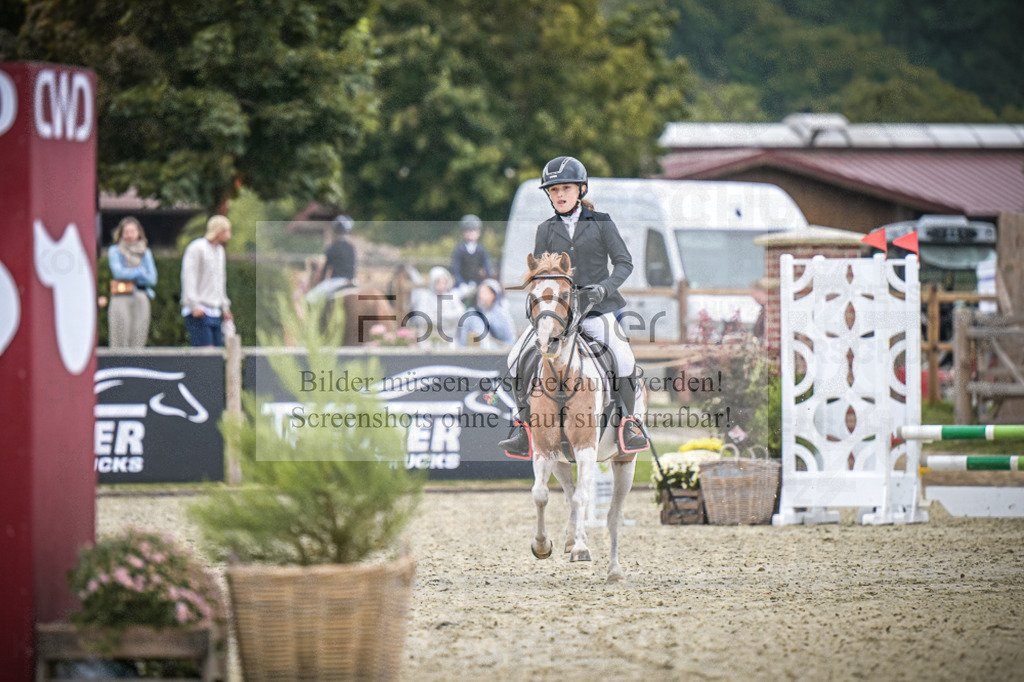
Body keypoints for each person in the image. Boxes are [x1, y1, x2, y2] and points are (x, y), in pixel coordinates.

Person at [499, 155, 646, 455]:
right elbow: (541, 272)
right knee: (515, 358)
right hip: (557, 315)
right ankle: (523, 424)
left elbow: (624, 263)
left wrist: (603, 290)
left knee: (624, 358)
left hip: (596, 311)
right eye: (553, 190)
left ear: (581, 189)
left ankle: (628, 424)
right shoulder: (545, 229)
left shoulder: (602, 223)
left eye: (566, 188)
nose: (560, 195)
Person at [180, 214, 233, 347]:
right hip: (199, 310)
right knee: (205, 353)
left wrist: (224, 307)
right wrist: (194, 305)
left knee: (217, 354)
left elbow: (220, 280)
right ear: (218, 231)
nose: (229, 235)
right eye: (227, 230)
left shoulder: (220, 251)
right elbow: (189, 277)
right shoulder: (197, 248)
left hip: (214, 310)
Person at [107, 217, 158, 347]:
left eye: (132, 231)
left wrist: (130, 273)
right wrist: (140, 271)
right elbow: (118, 273)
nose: (129, 235)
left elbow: (152, 278)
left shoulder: (145, 252)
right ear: (121, 234)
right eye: (126, 232)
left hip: (141, 295)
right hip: (121, 295)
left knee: (138, 338)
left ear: (138, 233)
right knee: (120, 337)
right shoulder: (115, 250)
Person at [306, 214, 357, 305]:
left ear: (335, 231)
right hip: (352, 281)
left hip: (336, 281)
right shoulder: (351, 247)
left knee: (309, 298)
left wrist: (322, 280)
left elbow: (326, 269)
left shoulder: (332, 248)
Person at [408, 265, 465, 344]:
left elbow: (460, 314)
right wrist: (440, 319)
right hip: (429, 339)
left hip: (449, 337)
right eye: (439, 282)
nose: (442, 285)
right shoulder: (425, 297)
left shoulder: (452, 297)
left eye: (444, 282)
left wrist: (441, 316)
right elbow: (421, 318)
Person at [458, 278, 516, 348]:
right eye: (480, 292)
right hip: (475, 355)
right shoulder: (471, 314)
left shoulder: (503, 314)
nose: (481, 296)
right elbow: (463, 340)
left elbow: (510, 339)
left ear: (493, 295)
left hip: (497, 355)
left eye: (485, 292)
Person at [450, 214, 494, 294]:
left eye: (473, 230)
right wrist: (461, 284)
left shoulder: (482, 250)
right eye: (468, 230)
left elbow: (487, 267)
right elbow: (455, 270)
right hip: (462, 286)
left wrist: (484, 282)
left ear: (478, 233)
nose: (471, 233)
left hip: (478, 285)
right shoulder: (459, 250)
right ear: (463, 232)